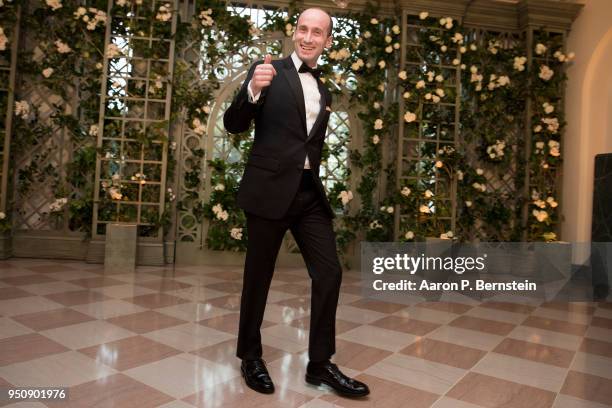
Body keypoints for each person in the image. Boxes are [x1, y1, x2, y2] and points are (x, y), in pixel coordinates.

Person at [223, 7, 369, 398]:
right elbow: (234, 124)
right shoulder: (269, 71)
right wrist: (253, 90)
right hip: (269, 192)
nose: (308, 37)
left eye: (317, 32)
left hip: (307, 194)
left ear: (327, 41)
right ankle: (250, 357)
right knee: (259, 277)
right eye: (303, 29)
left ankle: (320, 364)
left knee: (330, 273)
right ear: (294, 33)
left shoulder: (324, 89)